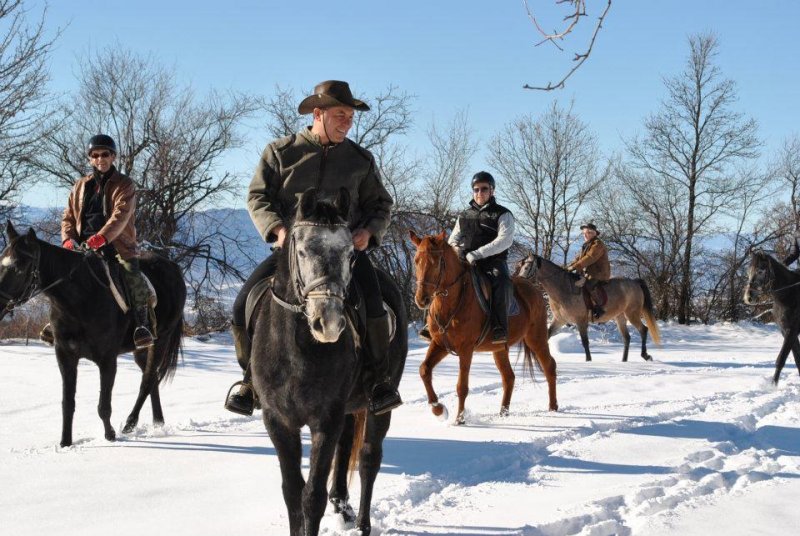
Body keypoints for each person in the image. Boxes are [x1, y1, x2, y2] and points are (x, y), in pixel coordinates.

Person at [224, 80, 402, 417]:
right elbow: (257, 196)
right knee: (241, 305)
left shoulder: (360, 160)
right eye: (340, 115)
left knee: (376, 304)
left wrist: (368, 231)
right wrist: (276, 229)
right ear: (318, 114)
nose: (347, 122)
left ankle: (378, 380)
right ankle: (250, 380)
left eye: (350, 117)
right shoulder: (280, 152)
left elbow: (381, 204)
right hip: (294, 255)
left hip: (344, 255)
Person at [46, 134, 155, 350]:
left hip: (117, 246)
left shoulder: (125, 184)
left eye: (105, 154)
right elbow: (68, 216)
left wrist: (102, 237)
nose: (100, 159)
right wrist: (68, 239)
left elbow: (121, 215)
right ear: (89, 159)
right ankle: (55, 324)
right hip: (82, 246)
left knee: (132, 275)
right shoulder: (80, 186)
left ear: (113, 156)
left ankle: (142, 326)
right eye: (95, 155)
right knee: (59, 277)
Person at [422, 171, 515, 344]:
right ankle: (432, 323)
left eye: (484, 189)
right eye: (476, 189)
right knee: (441, 277)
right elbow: (453, 239)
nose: (480, 193)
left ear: (492, 190)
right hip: (465, 261)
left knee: (501, 281)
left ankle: (499, 327)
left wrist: (477, 254)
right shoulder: (464, 215)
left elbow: (504, 240)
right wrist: (458, 252)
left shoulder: (503, 214)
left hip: (493, 262)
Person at [566, 222, 611, 319]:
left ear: (595, 233)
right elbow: (578, 259)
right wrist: (567, 267)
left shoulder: (597, 244)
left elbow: (590, 257)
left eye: (589, 232)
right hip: (589, 273)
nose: (585, 235)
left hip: (599, 274)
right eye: (584, 233)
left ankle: (599, 308)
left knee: (589, 285)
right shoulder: (586, 245)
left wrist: (575, 267)